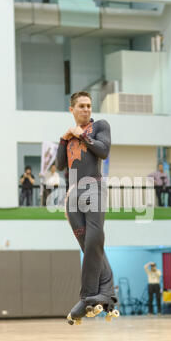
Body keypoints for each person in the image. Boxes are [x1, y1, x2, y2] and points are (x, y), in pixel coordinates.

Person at [55, 91, 117, 325]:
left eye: (89, 105)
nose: (86, 109)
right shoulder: (69, 137)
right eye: (81, 106)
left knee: (94, 241)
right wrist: (64, 139)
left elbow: (104, 150)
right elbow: (60, 164)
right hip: (73, 195)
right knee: (88, 246)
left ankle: (88, 297)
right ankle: (107, 294)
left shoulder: (100, 125)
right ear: (71, 109)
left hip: (94, 188)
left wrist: (82, 135)